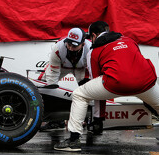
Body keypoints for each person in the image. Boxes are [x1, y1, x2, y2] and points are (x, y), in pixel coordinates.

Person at [54, 21, 159, 152]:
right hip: (145, 81)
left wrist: (98, 119)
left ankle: (73, 140)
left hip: (116, 82)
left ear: (93, 35)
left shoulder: (93, 51)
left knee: (79, 94)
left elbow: (95, 80)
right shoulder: (130, 40)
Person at [39, 27, 105, 132]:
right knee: (46, 85)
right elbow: (53, 72)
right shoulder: (58, 48)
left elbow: (94, 75)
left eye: (74, 46)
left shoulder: (91, 49)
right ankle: (54, 120)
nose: (70, 48)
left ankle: (89, 119)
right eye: (68, 44)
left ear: (83, 44)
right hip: (62, 66)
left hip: (82, 68)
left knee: (89, 89)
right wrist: (51, 85)